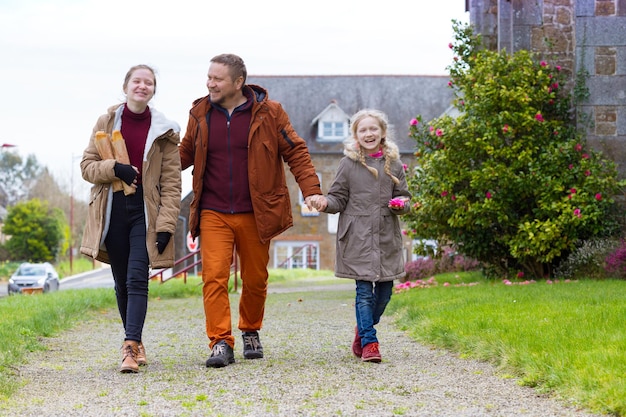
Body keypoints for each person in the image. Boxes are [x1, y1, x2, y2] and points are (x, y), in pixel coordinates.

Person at [179, 53, 322, 368]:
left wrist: (311, 190)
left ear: (238, 82)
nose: (210, 83)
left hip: (257, 212)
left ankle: (251, 329)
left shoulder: (270, 113)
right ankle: (220, 342)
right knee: (213, 277)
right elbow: (183, 155)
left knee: (255, 279)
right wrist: (149, 170)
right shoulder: (200, 113)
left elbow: (296, 150)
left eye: (217, 78)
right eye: (209, 77)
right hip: (213, 210)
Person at [80, 64, 182, 373]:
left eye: (148, 82)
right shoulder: (106, 121)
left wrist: (165, 226)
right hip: (112, 210)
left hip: (145, 213)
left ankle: (129, 344)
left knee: (138, 277)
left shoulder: (165, 132)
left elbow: (172, 184)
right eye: (136, 81)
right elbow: (87, 167)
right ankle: (135, 342)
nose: (142, 86)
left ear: (153, 90)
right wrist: (115, 168)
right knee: (122, 282)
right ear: (126, 87)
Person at [309, 109, 411, 363]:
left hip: (386, 237)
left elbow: (405, 196)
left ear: (383, 132)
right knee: (364, 293)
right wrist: (324, 203)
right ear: (355, 135)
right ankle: (370, 342)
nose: (369, 133)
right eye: (363, 130)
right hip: (358, 238)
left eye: (373, 129)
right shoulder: (349, 164)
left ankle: (362, 330)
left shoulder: (395, 164)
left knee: (385, 293)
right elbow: (338, 198)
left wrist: (401, 203)